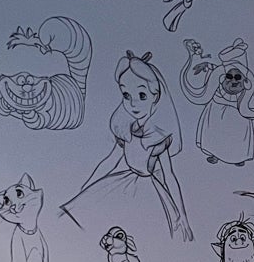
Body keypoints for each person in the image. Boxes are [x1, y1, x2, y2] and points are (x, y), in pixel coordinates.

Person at [61, 52, 191, 241]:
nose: (133, 103)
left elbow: (169, 176)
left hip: (148, 192)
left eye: (142, 95)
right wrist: (86, 187)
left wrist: (183, 215)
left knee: (145, 233)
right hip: (123, 183)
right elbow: (109, 162)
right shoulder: (127, 131)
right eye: (126, 95)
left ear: (155, 97)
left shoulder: (158, 138)